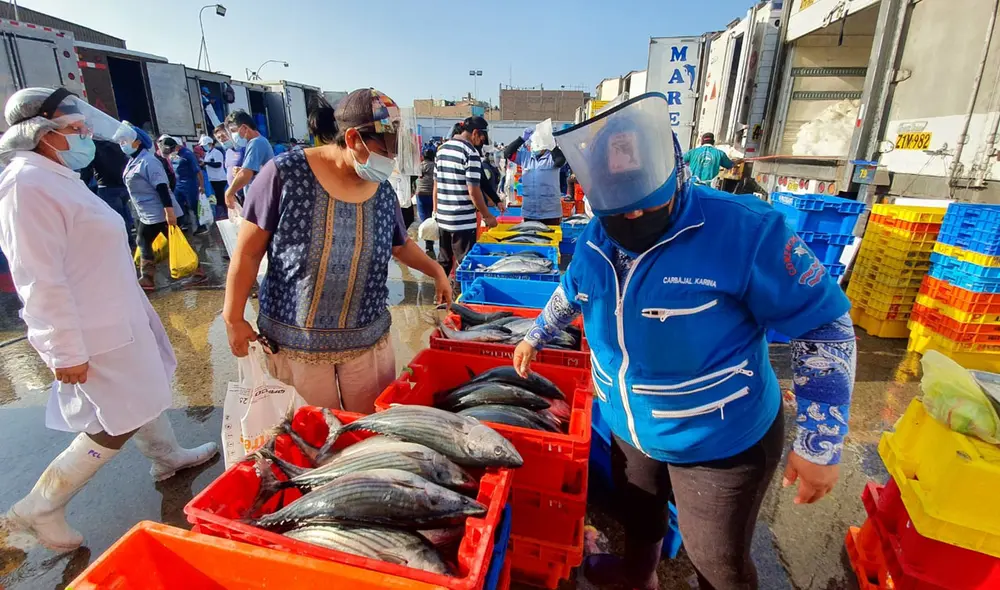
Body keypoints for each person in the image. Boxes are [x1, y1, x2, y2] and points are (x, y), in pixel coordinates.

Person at [513, 93, 855, 590]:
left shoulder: (746, 230)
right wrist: (536, 335)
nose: (630, 220)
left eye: (643, 202)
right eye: (617, 207)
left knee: (716, 562)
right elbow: (573, 290)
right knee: (641, 519)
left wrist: (821, 441)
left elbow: (823, 326)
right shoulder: (594, 238)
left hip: (719, 441)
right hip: (631, 428)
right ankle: (638, 577)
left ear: (676, 174)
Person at [0, 87, 218, 552]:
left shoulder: (58, 175)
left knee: (146, 389)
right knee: (114, 421)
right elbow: (37, 278)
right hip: (91, 331)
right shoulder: (26, 185)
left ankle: (166, 456)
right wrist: (64, 351)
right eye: (73, 126)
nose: (84, 134)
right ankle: (39, 508)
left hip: (118, 316)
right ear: (40, 130)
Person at [223, 88, 452, 413]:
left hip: (367, 344)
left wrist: (437, 271)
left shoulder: (383, 191)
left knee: (368, 432)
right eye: (385, 148)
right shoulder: (284, 174)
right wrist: (233, 318)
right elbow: (247, 253)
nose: (390, 159)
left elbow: (400, 245)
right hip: (298, 349)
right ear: (353, 138)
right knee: (312, 442)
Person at [122, 126, 202, 291]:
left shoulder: (149, 161)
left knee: (157, 241)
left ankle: (150, 278)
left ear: (137, 142)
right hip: (148, 214)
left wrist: (169, 213)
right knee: (145, 240)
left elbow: (162, 188)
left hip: (161, 213)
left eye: (126, 140)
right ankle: (148, 278)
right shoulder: (134, 160)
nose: (122, 144)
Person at [432, 116, 496, 279]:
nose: (481, 141)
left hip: (444, 217)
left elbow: (436, 186)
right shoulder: (470, 152)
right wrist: (488, 216)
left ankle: (440, 294)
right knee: (465, 262)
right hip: (462, 220)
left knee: (444, 259)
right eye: (482, 137)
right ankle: (459, 297)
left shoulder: (442, 149)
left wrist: (436, 211)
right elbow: (473, 190)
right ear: (475, 133)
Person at [80, 138, 135, 251]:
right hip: (123, 185)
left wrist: (82, 185)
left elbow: (88, 169)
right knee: (125, 214)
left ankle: (126, 243)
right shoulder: (116, 144)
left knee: (115, 217)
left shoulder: (93, 147)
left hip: (106, 187)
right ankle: (131, 241)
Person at [503, 127, 566, 225]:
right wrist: (522, 139)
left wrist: (551, 144)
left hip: (551, 213)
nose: (534, 147)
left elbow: (560, 161)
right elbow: (507, 153)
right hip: (529, 213)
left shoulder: (552, 157)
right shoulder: (525, 157)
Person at [223, 110, 274, 210]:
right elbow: (254, 170)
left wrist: (229, 192)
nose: (233, 136)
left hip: (262, 201)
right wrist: (242, 170)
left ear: (245, 127)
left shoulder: (256, 143)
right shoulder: (258, 142)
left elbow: (246, 174)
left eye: (234, 131)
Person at [159, 136, 206, 234]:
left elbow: (198, 171)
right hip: (178, 184)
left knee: (193, 205)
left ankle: (201, 226)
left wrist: (201, 185)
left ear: (175, 147)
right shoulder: (173, 155)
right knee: (178, 205)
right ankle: (182, 224)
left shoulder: (188, 154)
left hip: (190, 184)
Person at [213, 124, 244, 208]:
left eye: (223, 136)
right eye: (218, 138)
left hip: (247, 193)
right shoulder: (228, 152)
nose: (222, 140)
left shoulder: (243, 149)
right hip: (235, 194)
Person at [415, 147, 436, 257]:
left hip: (420, 195)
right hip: (432, 195)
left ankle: (429, 246)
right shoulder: (435, 166)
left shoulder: (419, 166)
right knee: (433, 219)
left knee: (424, 220)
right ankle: (432, 243)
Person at [199, 134, 228, 209]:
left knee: (221, 199)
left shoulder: (216, 152)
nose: (204, 147)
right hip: (212, 179)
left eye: (205, 145)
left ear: (210, 144)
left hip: (219, 179)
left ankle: (225, 214)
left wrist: (206, 163)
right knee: (216, 199)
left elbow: (218, 164)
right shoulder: (208, 154)